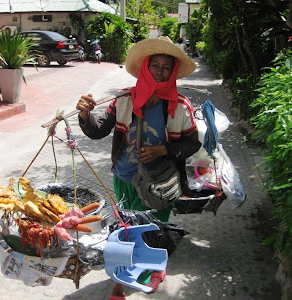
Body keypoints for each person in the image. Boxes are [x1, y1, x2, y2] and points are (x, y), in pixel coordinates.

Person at [76, 36, 202, 300]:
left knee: (153, 230)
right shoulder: (123, 100)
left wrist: (164, 150)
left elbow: (192, 142)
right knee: (124, 229)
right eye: (155, 65)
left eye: (166, 67)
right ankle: (125, 275)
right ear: (146, 67)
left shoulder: (180, 106)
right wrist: (85, 116)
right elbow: (98, 131)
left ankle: (148, 272)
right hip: (124, 178)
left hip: (160, 182)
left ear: (173, 72)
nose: (160, 71)